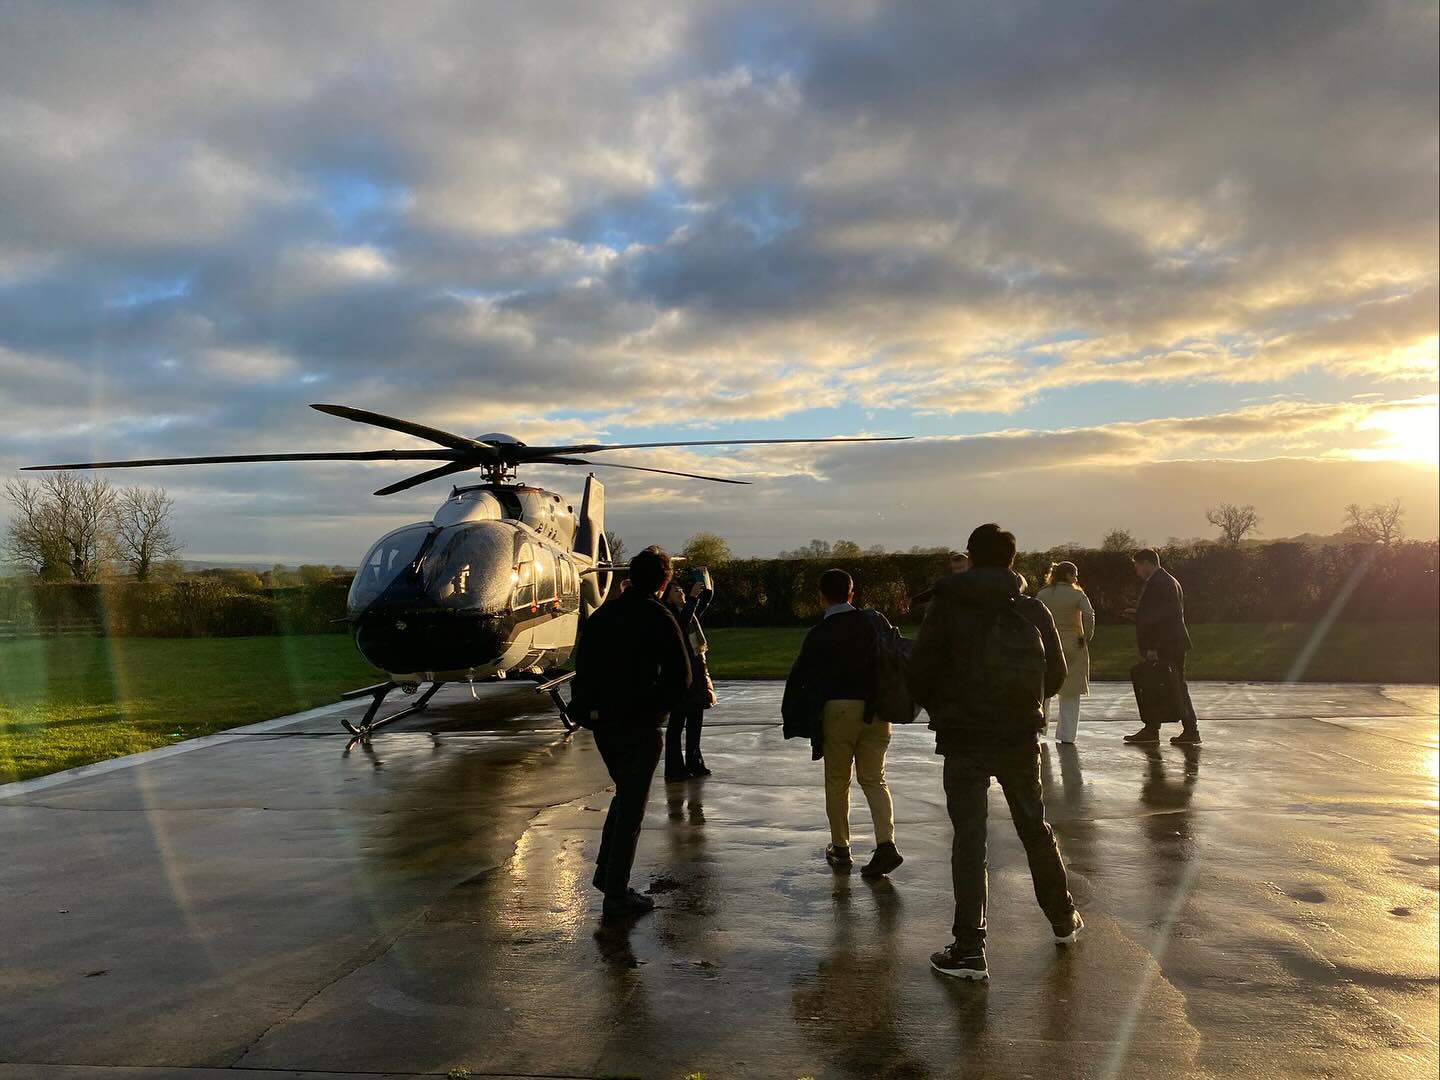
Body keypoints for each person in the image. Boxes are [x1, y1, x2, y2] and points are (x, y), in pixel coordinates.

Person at [909, 523, 1082, 981]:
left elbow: (920, 669)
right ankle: (1062, 918)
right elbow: (1057, 674)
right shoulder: (1032, 609)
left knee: (969, 839)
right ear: (1012, 560)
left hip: (963, 735)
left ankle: (969, 948)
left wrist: (945, 706)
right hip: (1018, 735)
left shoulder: (946, 607)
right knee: (1034, 828)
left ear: (971, 556)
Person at [572, 546, 691, 920]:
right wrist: (656, 708)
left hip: (605, 722)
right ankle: (616, 891)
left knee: (624, 795)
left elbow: (583, 669)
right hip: (639, 723)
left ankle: (609, 877)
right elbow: (681, 677)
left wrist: (589, 713)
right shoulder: (658, 616)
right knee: (632, 806)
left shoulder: (603, 616)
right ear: (664, 581)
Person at [782, 568, 904, 878]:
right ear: (852, 594)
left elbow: (802, 678)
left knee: (838, 781)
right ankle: (886, 843)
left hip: (837, 710)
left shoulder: (819, 634)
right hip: (876, 709)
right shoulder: (872, 622)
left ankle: (841, 847)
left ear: (821, 596)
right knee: (875, 779)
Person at [1125, 549, 1200, 746]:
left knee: (1172, 685)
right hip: (1173, 642)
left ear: (1147, 562)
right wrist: (1138, 614)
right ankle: (1159, 728)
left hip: (1166, 643)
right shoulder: (1168, 581)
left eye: (1137, 565)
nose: (1136, 570)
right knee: (1164, 684)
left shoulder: (1159, 583)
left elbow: (1163, 619)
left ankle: (1184, 729)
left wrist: (1153, 646)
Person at [663, 570, 716, 781]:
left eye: (682, 590)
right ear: (667, 595)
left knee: (695, 721)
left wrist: (706, 583)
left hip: (697, 671)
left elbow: (705, 601)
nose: (681, 592)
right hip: (680, 675)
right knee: (677, 723)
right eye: (676, 590)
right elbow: (681, 625)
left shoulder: (689, 610)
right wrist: (693, 597)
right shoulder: (669, 613)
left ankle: (695, 762)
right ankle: (675, 767)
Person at [1036, 562, 1096, 744]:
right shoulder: (1077, 594)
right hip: (1073, 643)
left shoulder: (1043, 593)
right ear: (1069, 575)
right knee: (1071, 692)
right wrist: (1086, 636)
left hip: (1048, 643)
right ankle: (1067, 735)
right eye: (1075, 575)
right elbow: (1089, 614)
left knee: (1044, 690)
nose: (1077, 578)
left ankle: (1040, 728)